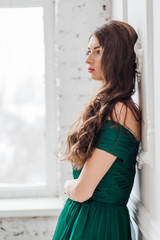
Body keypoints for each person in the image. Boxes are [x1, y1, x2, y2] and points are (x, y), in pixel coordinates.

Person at [52, 20, 143, 240]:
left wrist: (66, 186)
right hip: (87, 219)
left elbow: (82, 191)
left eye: (98, 51)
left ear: (116, 56)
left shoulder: (120, 110)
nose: (88, 59)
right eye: (89, 50)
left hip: (97, 225)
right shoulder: (112, 106)